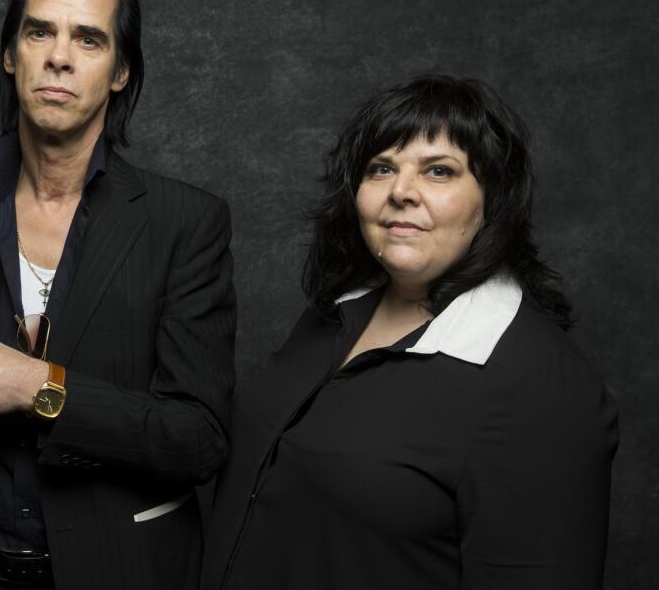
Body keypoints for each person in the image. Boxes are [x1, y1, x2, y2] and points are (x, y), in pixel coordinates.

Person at [0, 0, 237, 590]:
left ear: (121, 71)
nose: (59, 56)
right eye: (39, 31)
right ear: (10, 54)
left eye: (89, 39)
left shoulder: (186, 222)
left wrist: (36, 387)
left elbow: (199, 438)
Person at [201, 75, 618, 589]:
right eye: (381, 168)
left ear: (493, 199)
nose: (401, 192)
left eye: (439, 171)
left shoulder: (541, 386)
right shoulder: (335, 313)